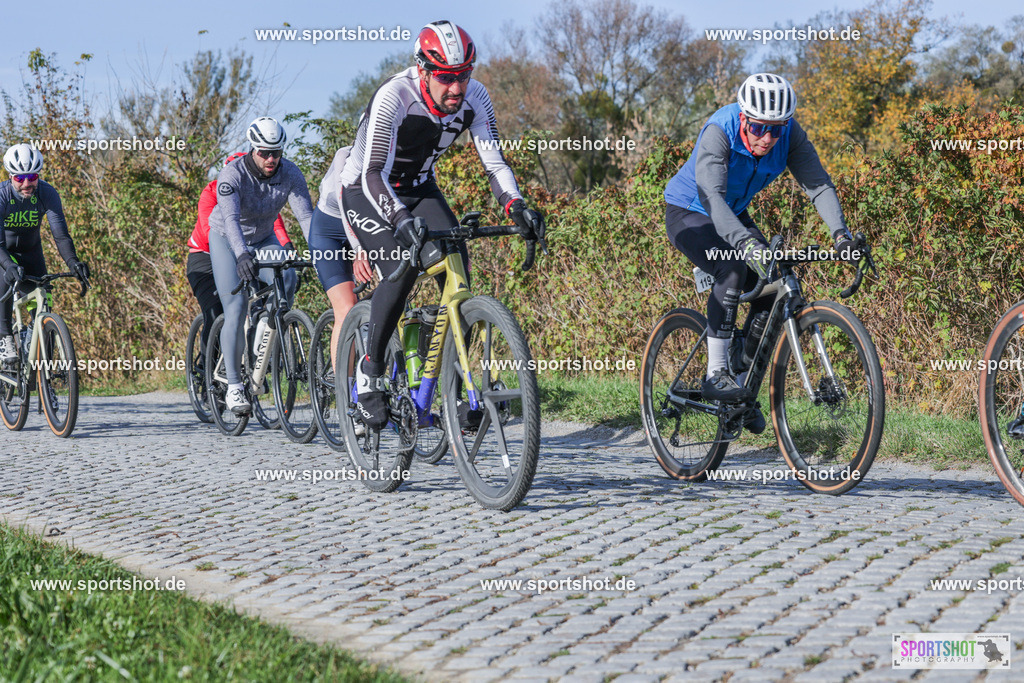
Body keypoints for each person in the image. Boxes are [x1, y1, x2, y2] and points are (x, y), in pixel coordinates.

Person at [340, 20, 545, 429]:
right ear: (423, 71)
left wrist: (516, 205)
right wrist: (399, 218)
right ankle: (370, 370)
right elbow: (372, 173)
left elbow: (494, 162)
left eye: (464, 77)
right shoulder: (394, 95)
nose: (457, 89)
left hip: (419, 188)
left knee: (457, 270)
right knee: (402, 265)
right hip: (366, 189)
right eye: (447, 79)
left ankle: (450, 381)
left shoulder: (477, 98)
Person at [663, 73, 858, 432]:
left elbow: (818, 186)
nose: (767, 139)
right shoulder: (718, 131)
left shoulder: (790, 136)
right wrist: (746, 244)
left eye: (776, 130)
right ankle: (715, 373)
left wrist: (841, 236)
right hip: (690, 210)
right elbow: (712, 197)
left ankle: (741, 387)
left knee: (773, 283)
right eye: (758, 128)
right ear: (743, 118)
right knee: (733, 269)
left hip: (733, 212)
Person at [207, 117, 314, 415]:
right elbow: (230, 221)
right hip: (228, 239)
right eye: (265, 152)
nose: (271, 159)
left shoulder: (290, 172)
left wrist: (321, 252)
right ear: (252, 149)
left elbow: (306, 217)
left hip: (264, 237)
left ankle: (264, 332)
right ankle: (234, 386)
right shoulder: (233, 174)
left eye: (276, 153)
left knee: (288, 279)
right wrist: (241, 255)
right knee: (236, 307)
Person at [187, 152, 293, 366]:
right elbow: (211, 230)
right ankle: (206, 365)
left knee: (264, 299)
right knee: (217, 311)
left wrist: (288, 249)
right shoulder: (211, 193)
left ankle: (257, 359)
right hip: (206, 257)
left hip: (248, 252)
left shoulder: (260, 193)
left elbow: (276, 225)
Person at [0, 144, 90, 363]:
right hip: (4, 253)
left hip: (32, 253)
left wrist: (73, 262)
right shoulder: (2, 196)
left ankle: (41, 366)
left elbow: (60, 235)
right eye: (19, 178)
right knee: (3, 283)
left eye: (32, 176)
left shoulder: (46, 193)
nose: (26, 184)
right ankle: (5, 338)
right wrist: (9, 265)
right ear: (11, 177)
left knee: (43, 302)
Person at [309, 146, 373, 379]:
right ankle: (343, 388)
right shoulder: (344, 156)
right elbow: (347, 207)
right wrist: (359, 249)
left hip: (365, 227)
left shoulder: (397, 157)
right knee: (345, 309)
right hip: (329, 233)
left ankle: (367, 324)